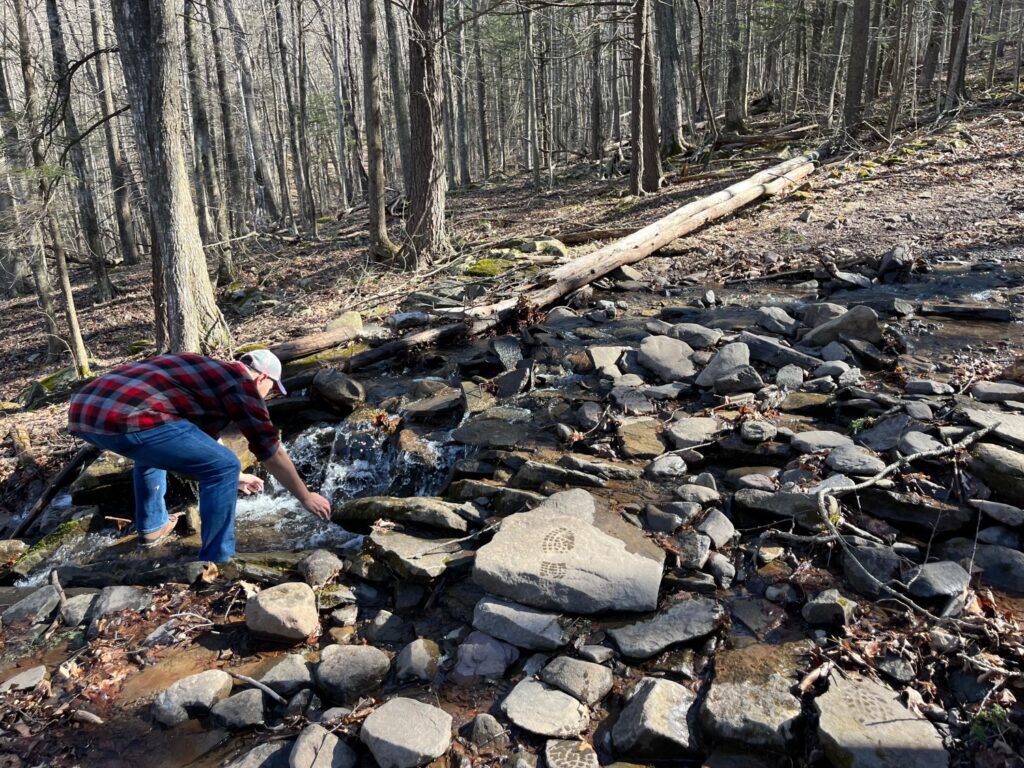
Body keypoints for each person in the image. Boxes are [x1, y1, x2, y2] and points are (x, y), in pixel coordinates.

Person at [68, 350, 331, 563]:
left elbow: (195, 440)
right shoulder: (241, 385)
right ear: (262, 378)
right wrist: (305, 497)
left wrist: (237, 478)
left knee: (154, 454)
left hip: (85, 412)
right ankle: (218, 559)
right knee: (225, 465)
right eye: (272, 390)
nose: (268, 397)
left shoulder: (205, 368)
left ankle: (152, 527)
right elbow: (270, 450)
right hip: (127, 417)